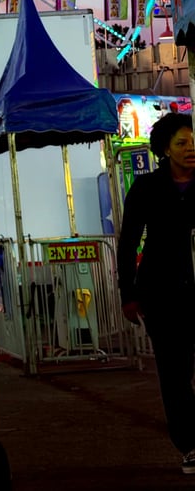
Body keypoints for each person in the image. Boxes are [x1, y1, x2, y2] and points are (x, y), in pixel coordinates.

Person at [117, 112, 195, 475]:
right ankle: (190, 444)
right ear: (165, 149)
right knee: (175, 375)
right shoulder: (146, 188)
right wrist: (128, 293)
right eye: (182, 143)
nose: (191, 148)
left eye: (193, 142)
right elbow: (128, 242)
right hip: (162, 295)